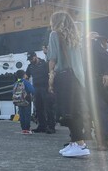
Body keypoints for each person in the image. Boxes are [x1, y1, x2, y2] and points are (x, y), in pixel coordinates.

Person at [47, 11, 90, 157]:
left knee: (68, 112)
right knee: (75, 110)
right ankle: (74, 142)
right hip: (77, 77)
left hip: (64, 76)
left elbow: (52, 58)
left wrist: (50, 76)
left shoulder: (54, 35)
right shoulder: (76, 37)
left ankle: (81, 144)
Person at [26, 51, 55, 134]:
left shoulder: (44, 64)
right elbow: (26, 76)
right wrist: (19, 81)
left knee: (48, 108)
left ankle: (51, 127)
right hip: (36, 89)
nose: (30, 61)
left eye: (31, 59)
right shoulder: (30, 66)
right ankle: (42, 126)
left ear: (35, 56)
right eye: (29, 59)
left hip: (45, 88)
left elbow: (51, 73)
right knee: (38, 109)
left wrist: (51, 86)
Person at [13, 69, 35, 134]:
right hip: (26, 101)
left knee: (21, 115)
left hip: (19, 101)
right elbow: (32, 90)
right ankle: (27, 129)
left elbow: (13, 91)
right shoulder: (25, 82)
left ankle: (23, 129)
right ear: (23, 75)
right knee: (27, 115)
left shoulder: (16, 82)